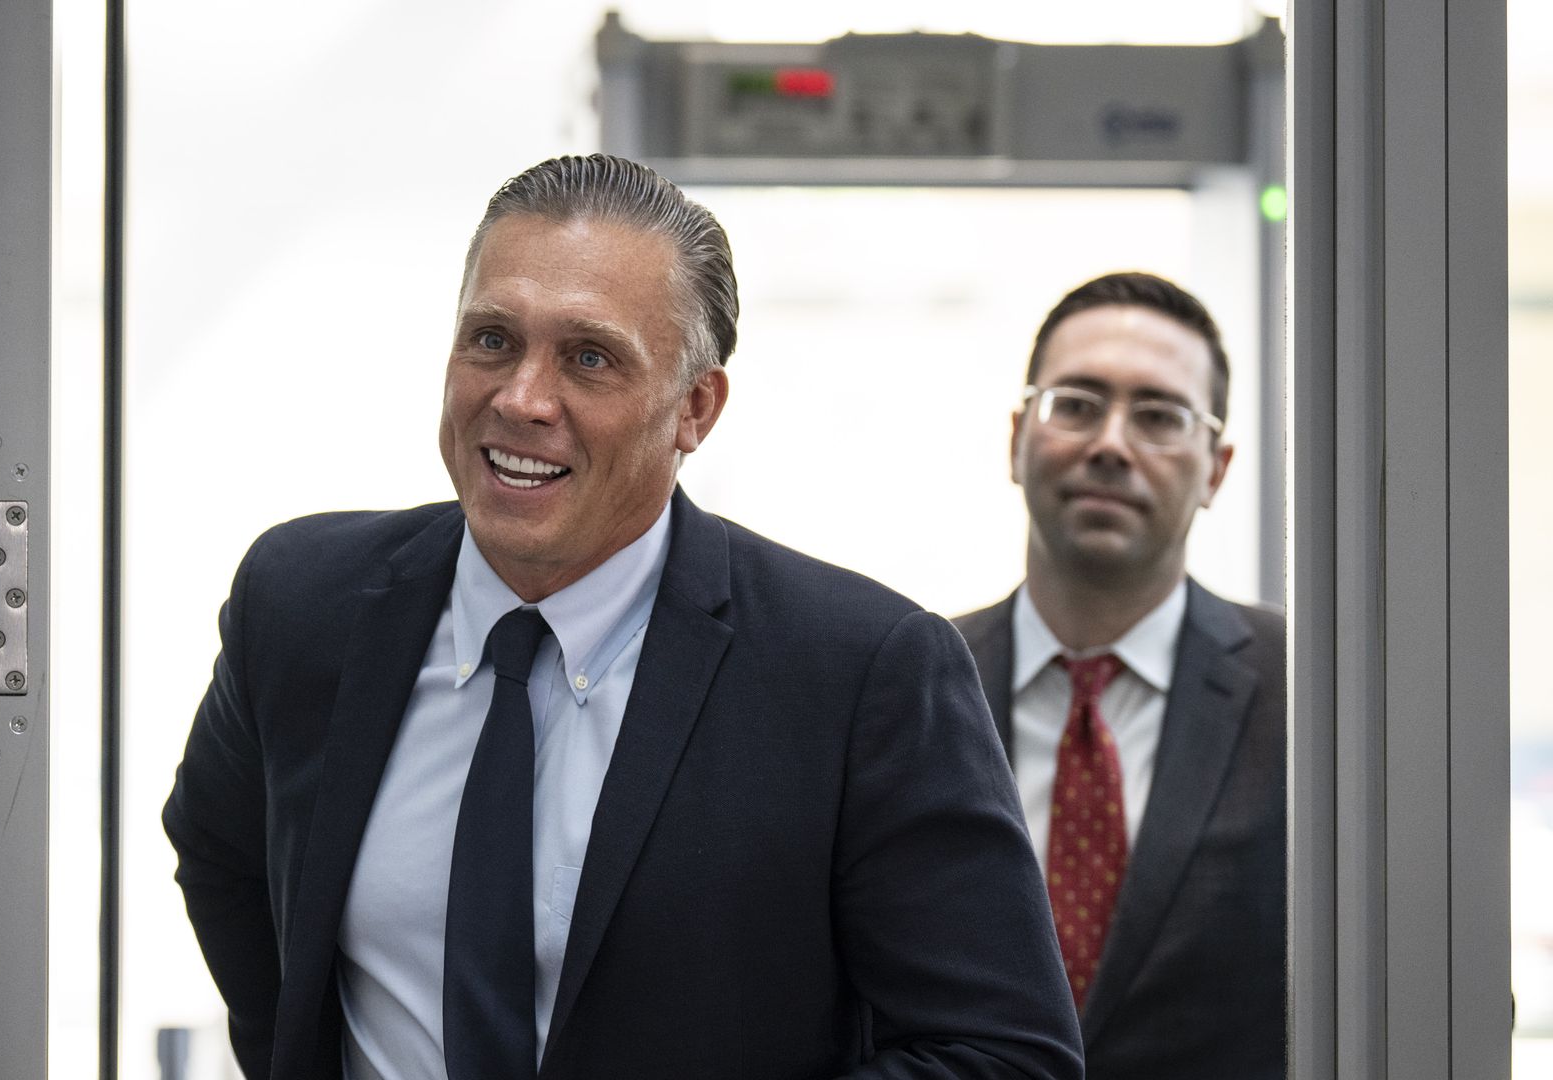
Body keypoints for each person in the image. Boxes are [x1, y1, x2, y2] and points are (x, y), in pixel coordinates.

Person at [163, 154, 1082, 1080]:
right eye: (490, 339)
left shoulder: (860, 674)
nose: (521, 399)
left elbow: (1004, 1056)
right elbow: (220, 857)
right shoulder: (303, 601)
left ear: (695, 407)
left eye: (589, 358)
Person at [953, 272, 1286, 1080]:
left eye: (1159, 416)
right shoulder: (914, 682)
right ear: (1016, 439)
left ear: (1216, 469)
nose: (1110, 442)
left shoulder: (1310, 696)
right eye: (1076, 402)